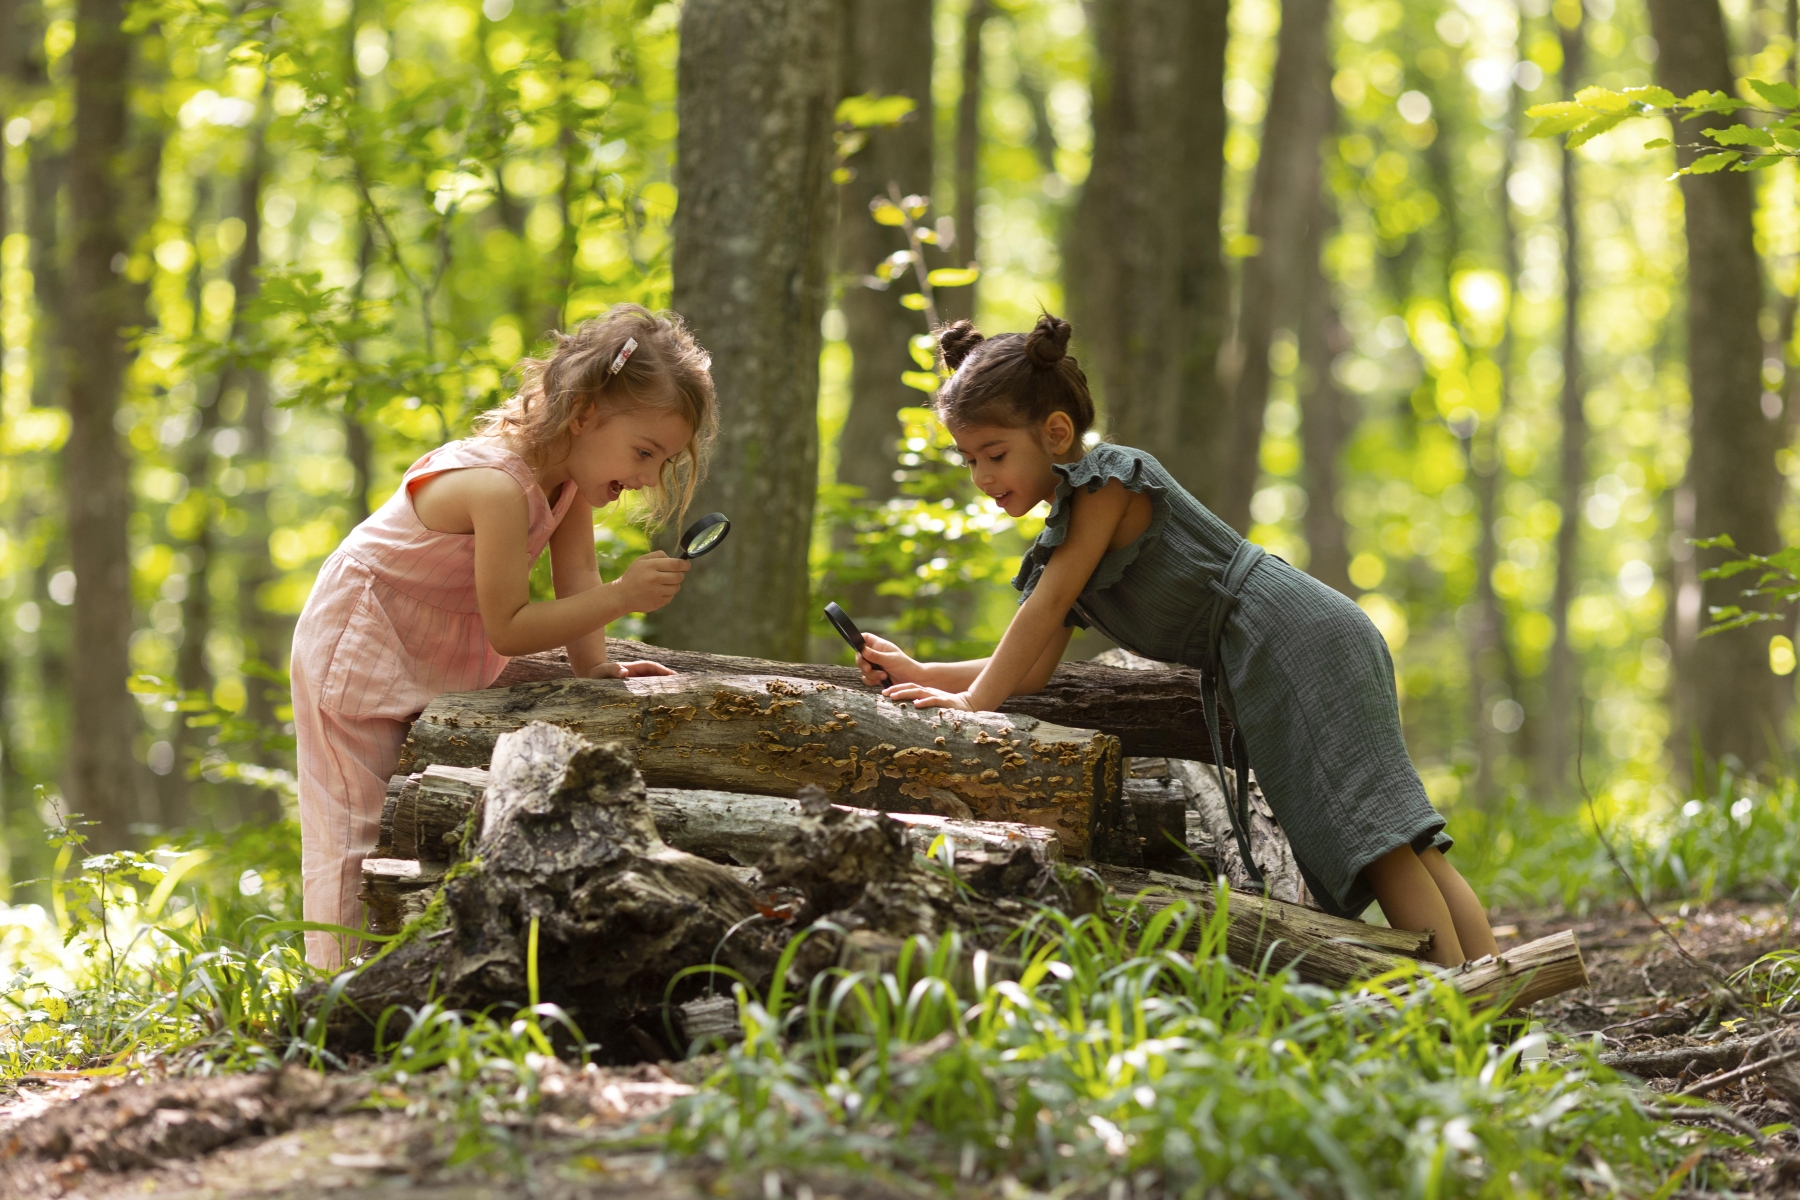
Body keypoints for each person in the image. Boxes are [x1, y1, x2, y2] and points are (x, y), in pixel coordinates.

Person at [854, 313, 1497, 966]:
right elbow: (1027, 669)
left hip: (1295, 638)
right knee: (1401, 840)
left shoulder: (1109, 481)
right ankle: (1497, 998)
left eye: (995, 455)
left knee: (1376, 839)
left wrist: (971, 705)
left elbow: (1042, 612)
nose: (982, 477)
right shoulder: (1067, 538)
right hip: (1289, 642)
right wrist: (923, 672)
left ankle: (1457, 1003)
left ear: (1056, 433)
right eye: (969, 460)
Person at [289, 304, 715, 969]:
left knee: (416, 813)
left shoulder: (565, 484)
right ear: (584, 414)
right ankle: (330, 988)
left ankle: (415, 974)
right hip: (362, 637)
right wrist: (624, 596)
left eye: (661, 462)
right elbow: (511, 628)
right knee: (353, 828)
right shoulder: (494, 487)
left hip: (431, 641)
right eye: (643, 451)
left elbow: (578, 575)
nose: (646, 477)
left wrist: (594, 666)